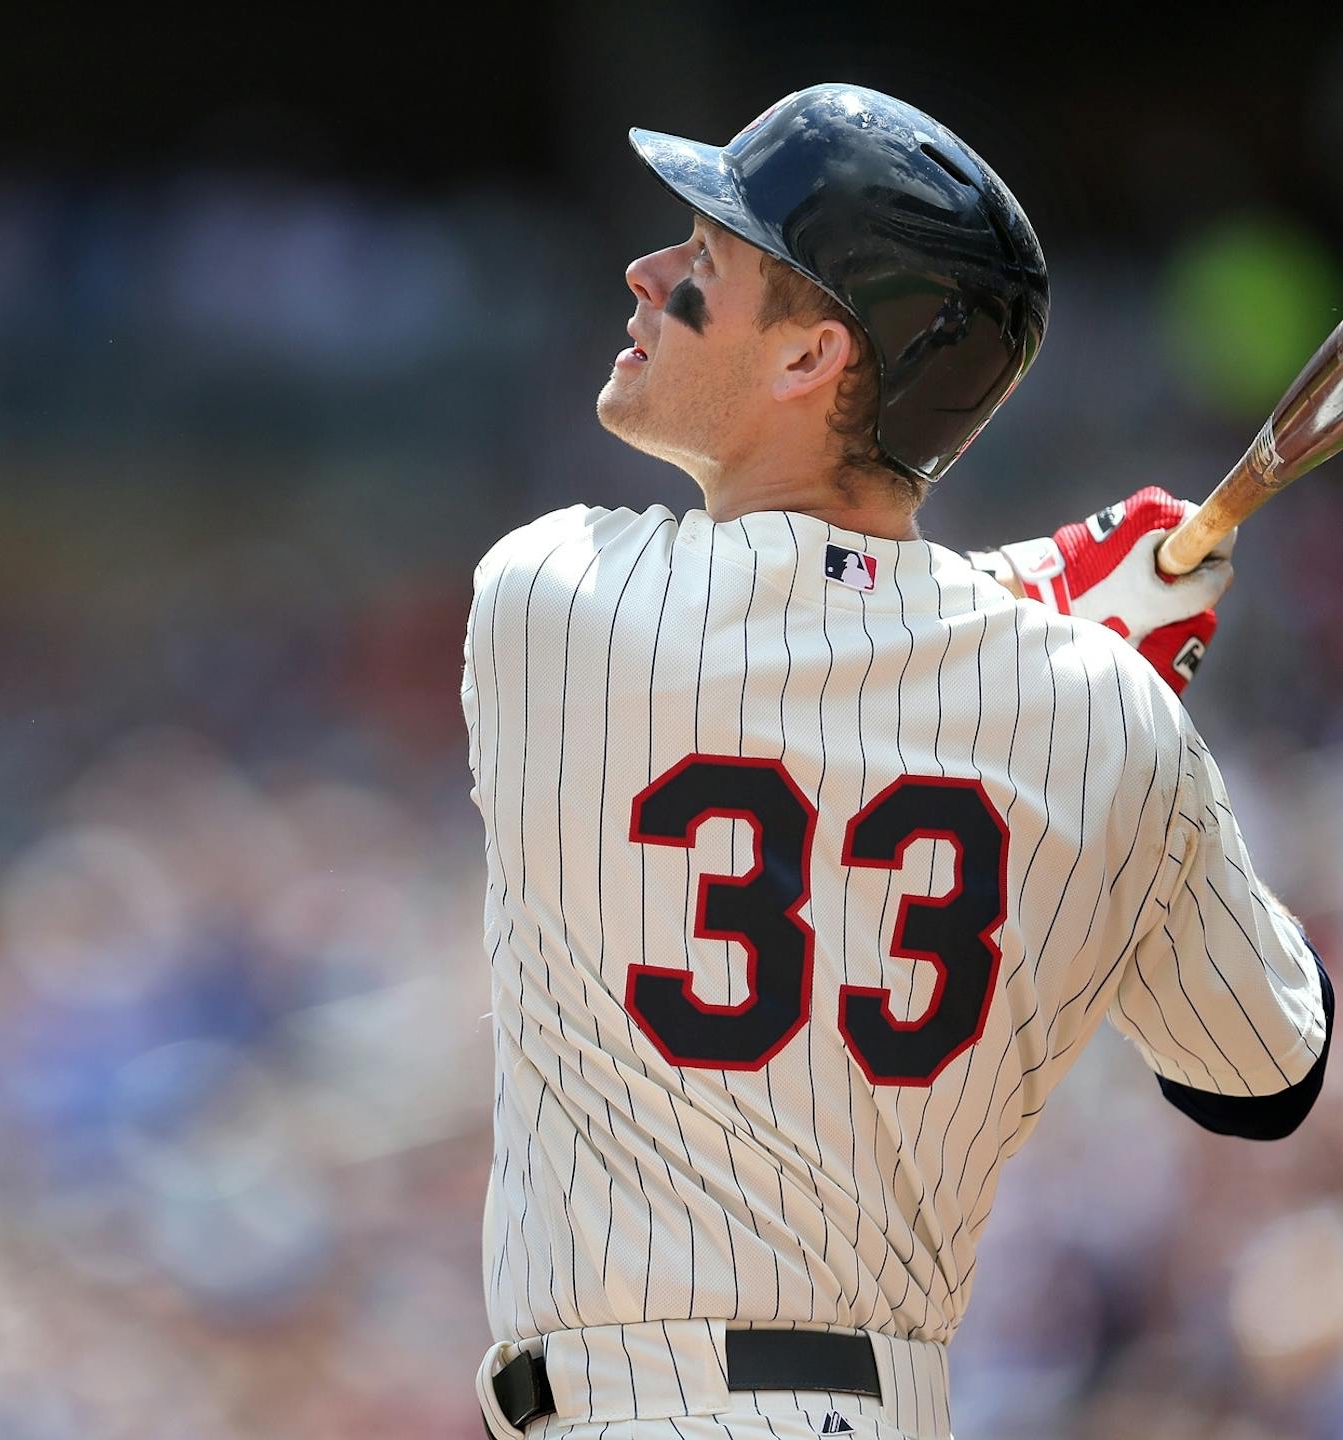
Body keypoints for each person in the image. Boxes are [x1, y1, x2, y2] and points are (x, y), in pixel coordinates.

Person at [461, 83, 1332, 1440]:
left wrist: (1051, 597)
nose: (648, 272)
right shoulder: (1103, 711)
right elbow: (1266, 1072)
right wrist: (1096, 666)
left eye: (705, 260)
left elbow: (818, 631)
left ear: (811, 358)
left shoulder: (553, 594)